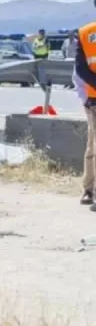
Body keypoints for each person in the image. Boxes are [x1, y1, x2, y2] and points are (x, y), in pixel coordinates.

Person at [74, 20, 96, 208]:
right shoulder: (85, 33)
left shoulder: (84, 32)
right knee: (93, 145)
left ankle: (90, 189)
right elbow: (79, 69)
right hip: (94, 99)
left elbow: (81, 69)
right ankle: (89, 189)